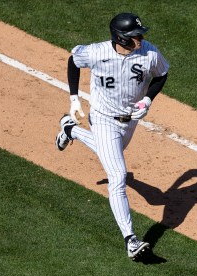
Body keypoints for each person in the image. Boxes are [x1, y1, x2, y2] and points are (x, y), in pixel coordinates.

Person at [55, 12, 169, 261]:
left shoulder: (149, 52)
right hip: (103, 119)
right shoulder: (96, 52)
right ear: (120, 38)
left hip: (129, 123)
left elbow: (161, 75)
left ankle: (70, 129)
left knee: (154, 198)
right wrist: (74, 97)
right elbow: (74, 61)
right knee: (117, 176)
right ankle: (131, 240)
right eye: (135, 36)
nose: (140, 38)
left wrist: (148, 99)